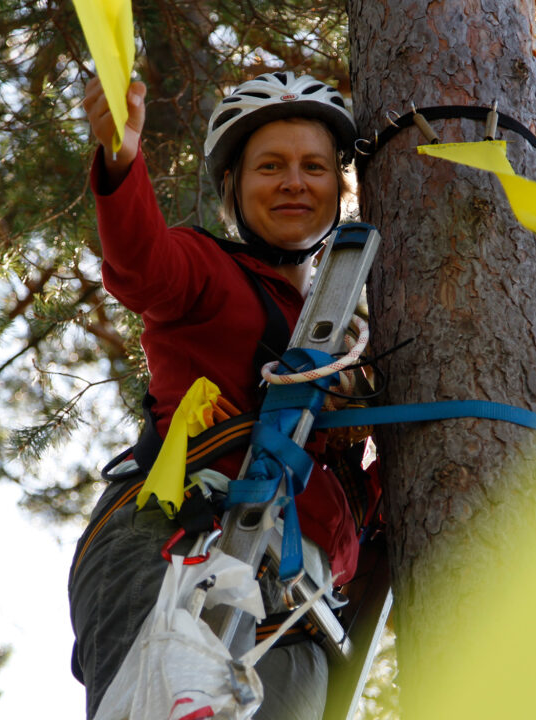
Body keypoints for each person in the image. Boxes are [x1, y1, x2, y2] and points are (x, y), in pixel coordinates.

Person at [67, 71, 379, 720]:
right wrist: (122, 159)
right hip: (179, 547)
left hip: (299, 615)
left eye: (314, 166)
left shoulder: (351, 340)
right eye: (271, 165)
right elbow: (143, 264)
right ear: (235, 187)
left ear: (339, 188)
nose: (295, 181)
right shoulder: (210, 272)